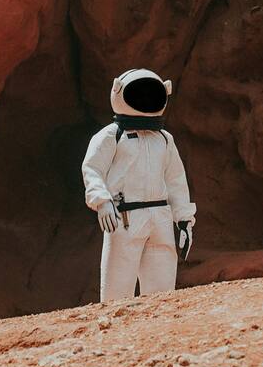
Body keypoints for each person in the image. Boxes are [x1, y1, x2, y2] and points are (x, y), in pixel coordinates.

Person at [82, 68, 196, 301]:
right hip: (125, 217)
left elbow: (175, 180)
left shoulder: (164, 138)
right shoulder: (111, 135)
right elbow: (92, 168)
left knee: (161, 293)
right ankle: (114, 333)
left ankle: (156, 334)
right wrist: (102, 201)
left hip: (160, 217)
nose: (145, 98)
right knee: (117, 290)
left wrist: (184, 220)